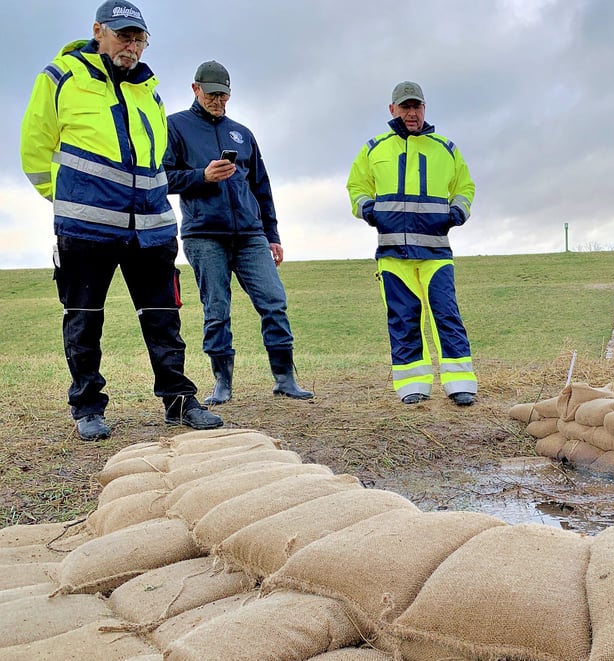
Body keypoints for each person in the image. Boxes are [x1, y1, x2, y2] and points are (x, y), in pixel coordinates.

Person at [19, 0, 222, 440]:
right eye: (123, 35)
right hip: (85, 227)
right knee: (84, 318)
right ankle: (88, 406)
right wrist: (66, 198)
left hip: (151, 228)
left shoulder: (150, 89)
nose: (131, 45)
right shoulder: (60, 77)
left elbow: (157, 160)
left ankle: (179, 400)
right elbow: (34, 150)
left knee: (164, 318)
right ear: (98, 31)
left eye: (138, 38)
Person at [163, 61, 313, 404]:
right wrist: (202, 175)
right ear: (195, 89)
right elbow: (163, 178)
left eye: (224, 95)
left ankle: (285, 378)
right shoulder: (175, 127)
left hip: (250, 235)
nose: (219, 101)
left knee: (274, 303)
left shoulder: (242, 133)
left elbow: (262, 187)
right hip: (204, 235)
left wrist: (272, 234)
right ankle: (222, 383)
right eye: (213, 94)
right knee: (216, 309)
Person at [346, 81, 478, 406]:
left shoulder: (446, 148)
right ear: (392, 110)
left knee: (446, 314)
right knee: (404, 318)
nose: (411, 113)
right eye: (405, 107)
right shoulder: (374, 148)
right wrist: (368, 209)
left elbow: (465, 186)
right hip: (392, 254)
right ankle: (413, 385)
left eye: (416, 106)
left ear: (424, 109)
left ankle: (460, 382)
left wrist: (457, 212)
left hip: (436, 252)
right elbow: (356, 186)